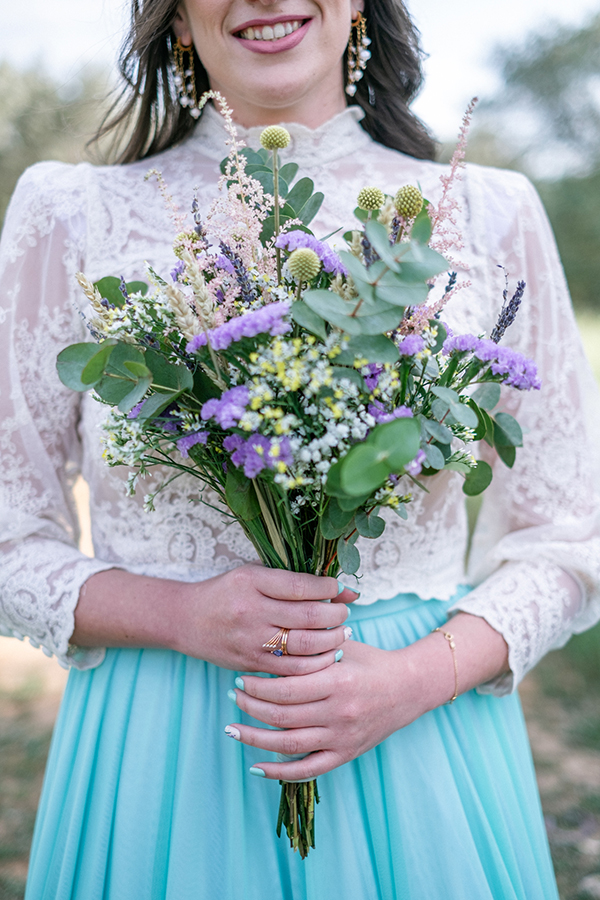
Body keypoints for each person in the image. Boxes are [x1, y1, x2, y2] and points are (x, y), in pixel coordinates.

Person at [0, 0, 599, 896]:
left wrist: (412, 680)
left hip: (420, 735)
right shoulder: (71, 215)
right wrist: (179, 616)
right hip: (162, 749)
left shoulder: (492, 211)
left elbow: (573, 534)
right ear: (175, 16)